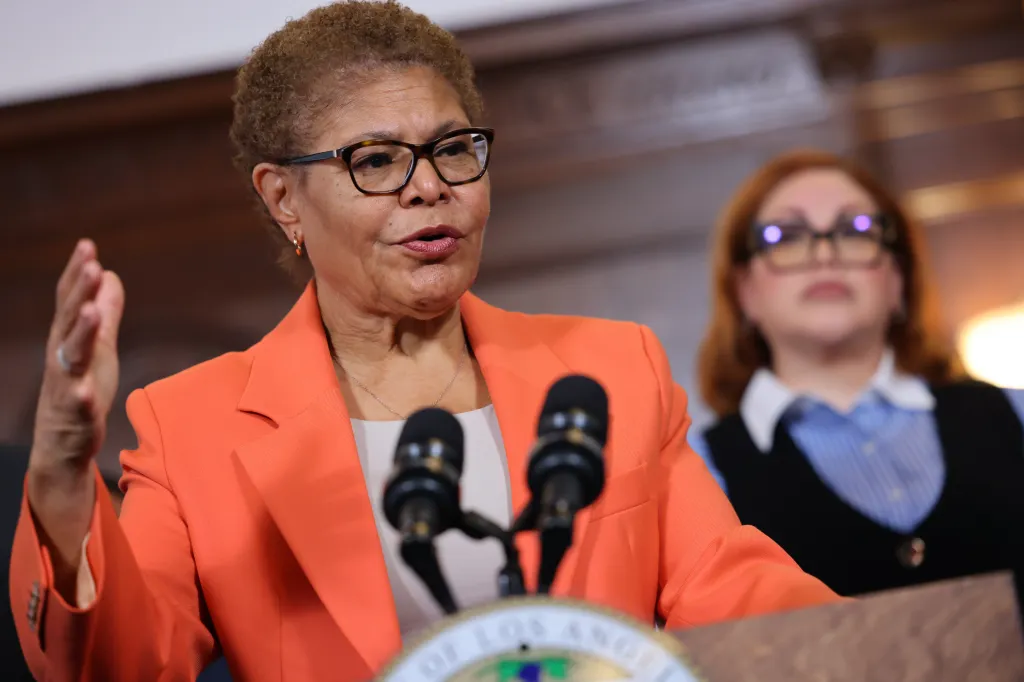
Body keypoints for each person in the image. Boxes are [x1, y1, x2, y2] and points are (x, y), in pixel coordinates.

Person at [9, 4, 839, 680]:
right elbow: (122, 668)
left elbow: (732, 591)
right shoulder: (195, 429)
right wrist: (59, 476)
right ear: (284, 199)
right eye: (376, 160)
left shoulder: (608, 369)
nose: (430, 185)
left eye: (452, 148)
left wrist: (915, 644)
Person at [691, 150, 1024, 599]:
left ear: (898, 279)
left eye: (856, 230)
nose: (825, 255)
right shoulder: (701, 474)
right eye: (786, 236)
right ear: (744, 291)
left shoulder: (1013, 414)